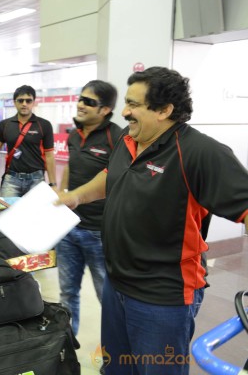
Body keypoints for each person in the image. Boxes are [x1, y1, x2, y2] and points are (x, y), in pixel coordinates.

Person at [57, 67, 248, 375]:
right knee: (117, 370)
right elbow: (112, 175)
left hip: (163, 296)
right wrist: (77, 196)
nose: (125, 111)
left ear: (164, 110)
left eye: (134, 104)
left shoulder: (200, 152)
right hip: (117, 283)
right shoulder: (128, 137)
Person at [55, 80, 122, 336]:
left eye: (89, 101)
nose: (81, 105)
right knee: (67, 293)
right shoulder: (74, 135)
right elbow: (71, 166)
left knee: (108, 299)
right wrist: (63, 191)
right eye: (80, 99)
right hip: (69, 228)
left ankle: (114, 358)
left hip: (99, 233)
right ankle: (66, 350)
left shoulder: (116, 137)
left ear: (105, 109)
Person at [0, 85, 57, 196]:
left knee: (34, 213)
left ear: (33, 102)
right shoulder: (5, 125)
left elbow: (49, 156)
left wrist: (53, 184)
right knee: (8, 212)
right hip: (11, 180)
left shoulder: (44, 125)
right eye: (20, 100)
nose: (24, 104)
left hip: (36, 180)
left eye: (28, 101)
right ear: (15, 102)